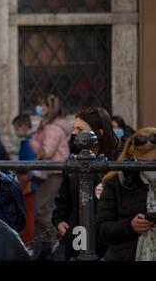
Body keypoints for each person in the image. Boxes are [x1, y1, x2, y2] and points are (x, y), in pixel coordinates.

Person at [52, 107, 119, 260]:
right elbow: (63, 200)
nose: (75, 133)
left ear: (99, 133)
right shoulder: (73, 162)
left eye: (80, 129)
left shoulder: (118, 164)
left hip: (107, 240)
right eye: (74, 128)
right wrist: (59, 221)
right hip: (77, 236)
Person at [97, 127, 156, 261]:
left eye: (154, 163)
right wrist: (130, 226)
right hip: (126, 253)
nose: (150, 168)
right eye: (143, 164)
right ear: (133, 157)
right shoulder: (116, 181)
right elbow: (101, 229)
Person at [30, 94, 71, 260]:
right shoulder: (50, 126)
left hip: (55, 172)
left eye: (42, 106)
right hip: (53, 172)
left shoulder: (52, 128)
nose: (40, 109)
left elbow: (47, 152)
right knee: (45, 209)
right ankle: (47, 246)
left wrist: (32, 142)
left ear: (48, 108)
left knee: (40, 208)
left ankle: (56, 237)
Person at [12, 114, 37, 246]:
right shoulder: (25, 142)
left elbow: (30, 165)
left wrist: (23, 178)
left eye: (17, 128)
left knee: (29, 214)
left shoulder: (29, 143)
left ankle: (28, 242)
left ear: (23, 127)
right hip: (25, 182)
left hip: (28, 185)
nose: (16, 131)